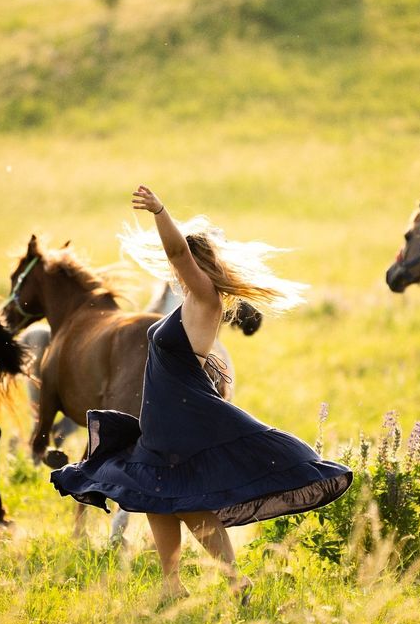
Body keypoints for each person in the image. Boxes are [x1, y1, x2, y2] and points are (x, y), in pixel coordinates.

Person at [50, 186, 352, 601]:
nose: (175, 270)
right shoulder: (190, 302)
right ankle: (174, 585)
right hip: (167, 414)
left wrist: (160, 212)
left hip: (179, 415)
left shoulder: (205, 296)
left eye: (183, 264)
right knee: (158, 497)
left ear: (196, 263)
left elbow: (176, 254)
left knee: (181, 499)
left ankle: (232, 580)